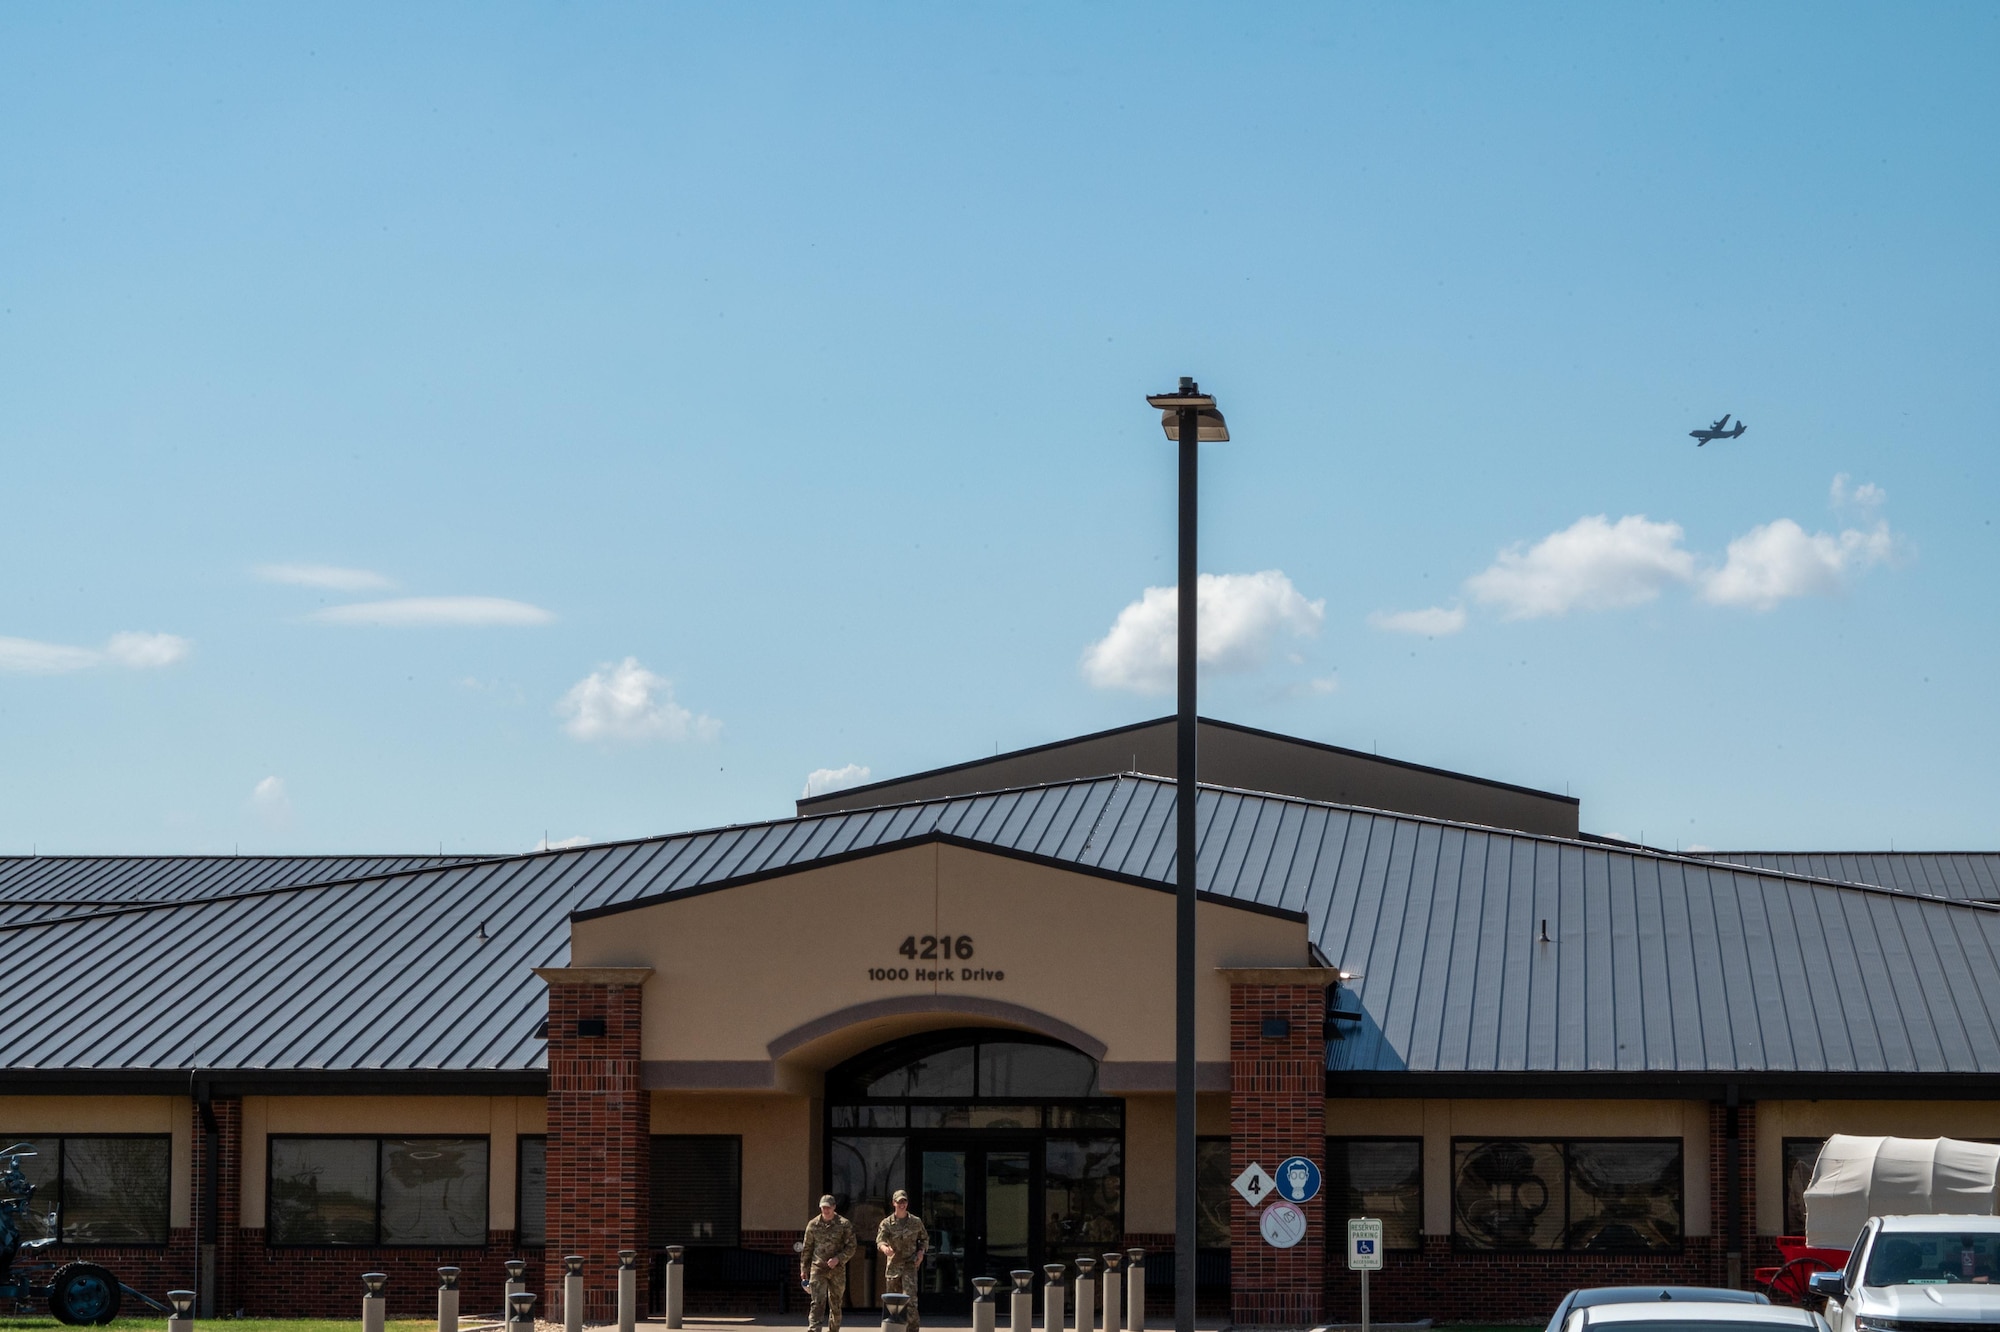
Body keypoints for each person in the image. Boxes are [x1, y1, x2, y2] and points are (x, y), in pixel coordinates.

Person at [875, 1188, 930, 1330]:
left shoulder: (915, 1222)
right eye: (899, 1202)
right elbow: (880, 1240)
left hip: (910, 1265)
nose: (902, 1205)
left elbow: (924, 1239)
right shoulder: (887, 1223)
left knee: (910, 1301)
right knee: (893, 1302)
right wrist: (885, 1248)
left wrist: (921, 1252)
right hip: (894, 1267)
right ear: (894, 1203)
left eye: (904, 1202)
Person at [802, 1194, 857, 1332]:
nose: (826, 1210)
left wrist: (839, 1259)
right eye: (823, 1207)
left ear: (834, 1207)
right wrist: (804, 1269)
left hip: (836, 1270)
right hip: (818, 1268)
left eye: (828, 1207)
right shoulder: (813, 1225)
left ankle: (834, 1329)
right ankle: (814, 1329)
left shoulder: (844, 1224)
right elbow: (807, 1248)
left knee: (836, 1303)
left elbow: (851, 1246)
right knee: (817, 1301)